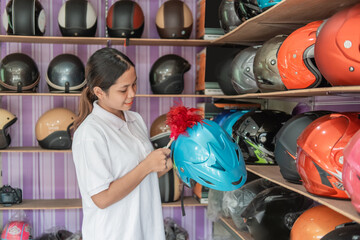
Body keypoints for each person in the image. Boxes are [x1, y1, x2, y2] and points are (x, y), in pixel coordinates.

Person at [71, 47, 172, 240]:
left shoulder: (135, 119)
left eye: (134, 84)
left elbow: (140, 176)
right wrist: (147, 166)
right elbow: (102, 198)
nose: (132, 93)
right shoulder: (90, 133)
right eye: (123, 89)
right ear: (99, 92)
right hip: (114, 233)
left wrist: (162, 165)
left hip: (145, 230)